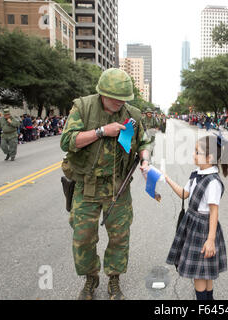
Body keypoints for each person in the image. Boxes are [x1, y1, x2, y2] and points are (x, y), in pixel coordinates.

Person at [60, 68, 153, 300]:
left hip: (117, 188)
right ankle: (91, 278)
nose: (119, 103)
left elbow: (144, 141)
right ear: (102, 93)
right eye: (114, 98)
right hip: (86, 186)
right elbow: (67, 141)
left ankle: (114, 279)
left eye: (123, 99)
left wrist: (145, 159)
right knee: (83, 238)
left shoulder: (133, 114)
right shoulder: (83, 107)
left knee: (120, 237)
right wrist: (102, 131)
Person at [164, 135, 228, 300]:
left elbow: (214, 212)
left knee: (200, 274)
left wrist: (211, 240)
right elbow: (184, 194)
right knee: (203, 272)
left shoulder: (212, 182)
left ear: (210, 157)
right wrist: (166, 179)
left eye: (197, 152)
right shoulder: (196, 174)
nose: (193, 155)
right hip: (192, 225)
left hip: (203, 229)